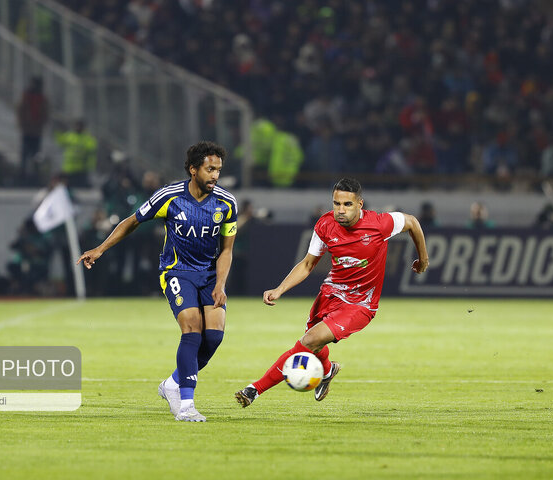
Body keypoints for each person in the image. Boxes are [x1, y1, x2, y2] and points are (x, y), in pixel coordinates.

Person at [77, 141, 237, 422]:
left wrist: (220, 284)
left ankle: (172, 384)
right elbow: (132, 221)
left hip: (209, 275)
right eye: (210, 169)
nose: (215, 176)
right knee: (192, 328)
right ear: (193, 169)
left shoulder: (226, 203)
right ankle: (186, 405)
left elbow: (226, 249)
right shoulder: (169, 196)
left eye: (218, 170)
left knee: (214, 336)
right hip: (177, 271)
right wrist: (100, 249)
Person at [234, 178, 428, 408]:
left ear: (360, 204)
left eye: (347, 204)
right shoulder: (325, 225)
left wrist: (423, 260)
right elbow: (307, 264)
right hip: (330, 295)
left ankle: (254, 389)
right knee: (314, 344)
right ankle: (327, 371)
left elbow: (412, 222)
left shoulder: (380, 223)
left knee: (309, 341)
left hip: (360, 304)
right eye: (336, 204)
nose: (340, 210)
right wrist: (280, 289)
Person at [17, 76, 49, 184]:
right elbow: (21, 110)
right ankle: (23, 175)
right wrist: (23, 125)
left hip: (36, 131)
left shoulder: (42, 98)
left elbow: (45, 113)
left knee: (36, 155)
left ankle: (35, 175)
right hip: (28, 130)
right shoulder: (27, 96)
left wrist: (41, 124)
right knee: (25, 154)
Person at [55, 119, 97, 188]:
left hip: (81, 169)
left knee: (80, 187)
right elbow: (60, 141)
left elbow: (92, 149)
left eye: (80, 126)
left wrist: (89, 166)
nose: (78, 128)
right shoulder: (69, 136)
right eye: (76, 126)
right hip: (69, 168)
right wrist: (58, 131)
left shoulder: (87, 138)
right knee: (69, 187)